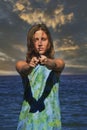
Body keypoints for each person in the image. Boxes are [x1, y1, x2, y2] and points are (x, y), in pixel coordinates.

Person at [16, 23, 65, 130]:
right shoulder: (21, 63)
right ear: (31, 43)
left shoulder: (58, 62)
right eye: (35, 40)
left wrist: (47, 62)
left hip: (50, 120)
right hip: (29, 120)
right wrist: (30, 66)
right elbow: (23, 70)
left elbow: (56, 65)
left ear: (49, 42)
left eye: (43, 39)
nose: (39, 43)